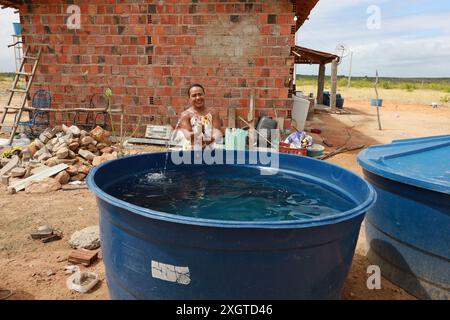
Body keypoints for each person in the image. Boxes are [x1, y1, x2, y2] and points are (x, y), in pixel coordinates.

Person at [175, 84, 223, 149]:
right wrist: (199, 131)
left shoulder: (213, 113)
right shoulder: (185, 115)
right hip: (192, 151)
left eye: (200, 94)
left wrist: (206, 139)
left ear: (204, 95)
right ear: (189, 98)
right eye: (194, 96)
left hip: (211, 150)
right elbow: (190, 137)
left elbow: (216, 133)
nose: (198, 98)